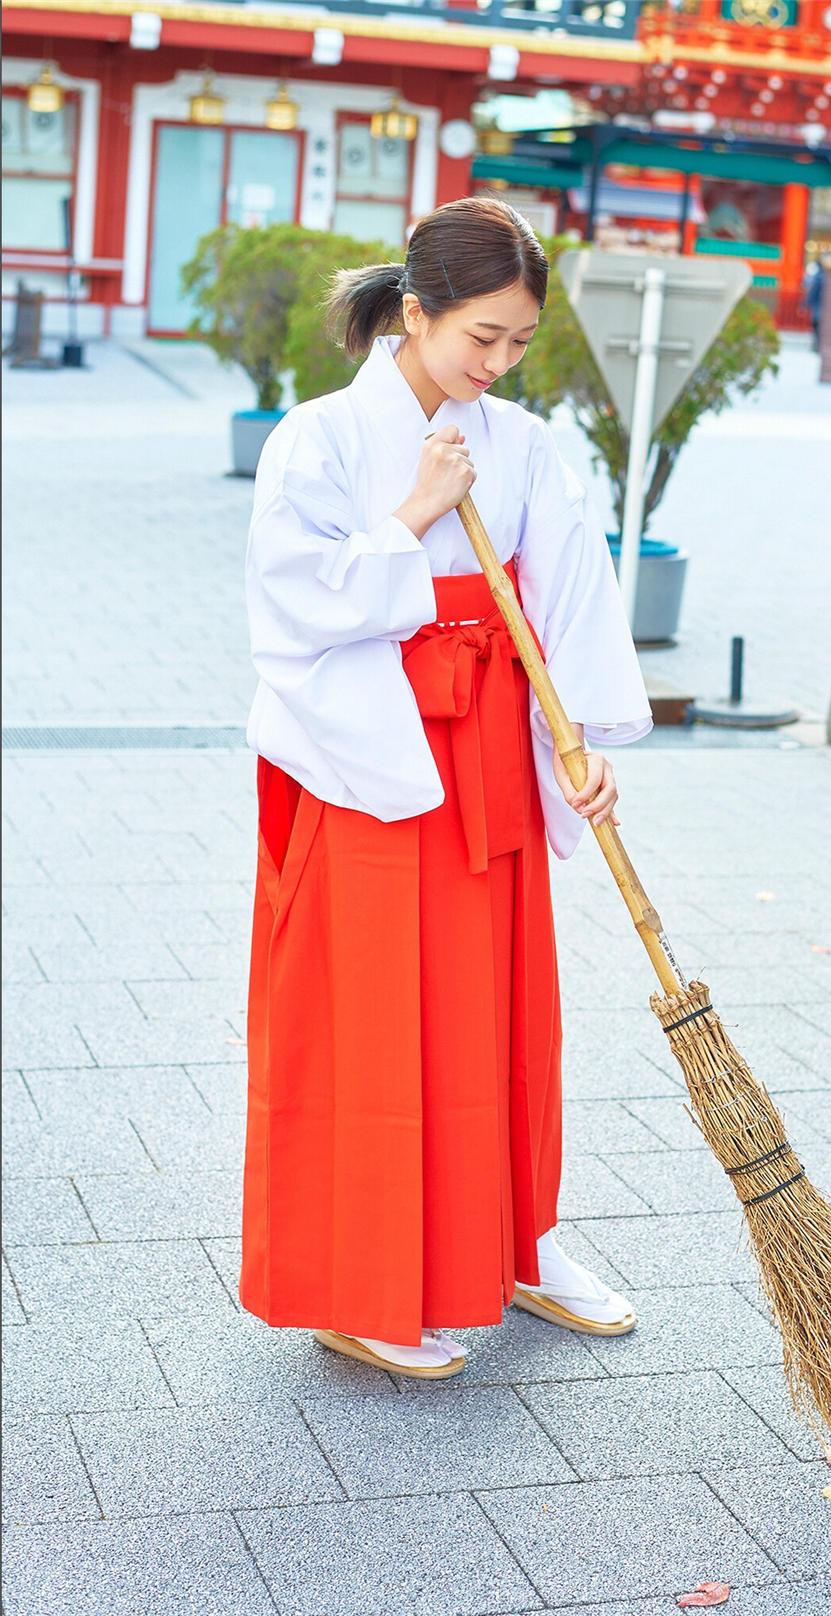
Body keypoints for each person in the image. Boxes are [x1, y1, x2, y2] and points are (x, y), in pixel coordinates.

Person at [240, 196, 653, 1380]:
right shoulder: (318, 437)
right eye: (482, 336)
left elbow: (567, 591)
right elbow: (290, 598)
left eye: (519, 340)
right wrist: (412, 517)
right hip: (371, 749)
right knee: (375, 1025)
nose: (499, 362)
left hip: (494, 751)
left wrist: (580, 738)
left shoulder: (519, 442)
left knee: (505, 1016)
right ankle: (362, 1281)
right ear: (415, 313)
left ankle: (517, 1238)